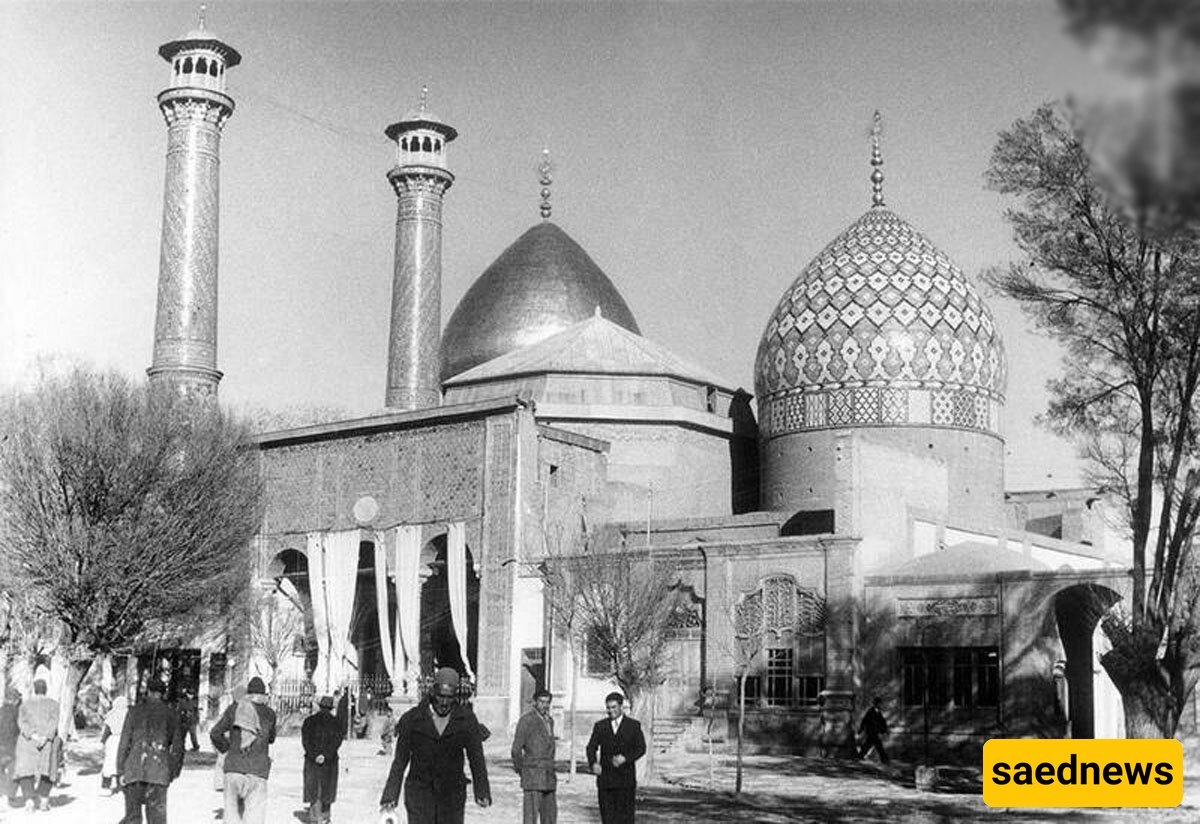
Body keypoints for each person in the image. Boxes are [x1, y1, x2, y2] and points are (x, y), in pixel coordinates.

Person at [379, 667, 491, 824]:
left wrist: (482, 791)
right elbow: (400, 761)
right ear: (433, 692)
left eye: (449, 697)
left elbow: (476, 758)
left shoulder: (466, 720)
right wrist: (390, 795)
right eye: (441, 696)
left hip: (451, 797)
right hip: (420, 795)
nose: (444, 702)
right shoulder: (412, 719)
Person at [116, 678, 185, 824]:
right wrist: (173, 771)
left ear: (148, 691)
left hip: (134, 770)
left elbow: (124, 742)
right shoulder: (171, 714)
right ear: (163, 694)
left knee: (132, 818)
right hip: (159, 772)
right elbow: (178, 747)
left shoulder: (134, 711)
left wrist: (120, 770)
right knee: (157, 819)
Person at [210, 677, 278, 824]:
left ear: (248, 693)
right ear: (263, 695)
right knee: (254, 817)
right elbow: (272, 739)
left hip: (233, 769)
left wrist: (226, 750)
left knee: (232, 817)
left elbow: (215, 733)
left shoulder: (234, 709)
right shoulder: (270, 714)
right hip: (257, 771)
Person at [585, 692, 646, 824]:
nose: (610, 711)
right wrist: (593, 763)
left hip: (626, 782)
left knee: (625, 819)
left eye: (613, 707)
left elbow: (641, 748)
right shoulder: (600, 726)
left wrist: (626, 758)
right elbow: (591, 747)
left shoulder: (633, 725)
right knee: (608, 818)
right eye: (608, 708)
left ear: (621, 707)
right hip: (606, 781)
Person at [12, 679, 59, 812]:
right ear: (46, 689)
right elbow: (54, 723)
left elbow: (21, 723)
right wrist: (45, 737)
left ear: (34, 689)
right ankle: (43, 800)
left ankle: (29, 802)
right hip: (47, 742)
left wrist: (32, 735)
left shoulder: (25, 705)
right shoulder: (54, 704)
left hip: (27, 742)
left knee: (26, 771)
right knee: (48, 770)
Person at [511, 688, 557, 824]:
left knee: (550, 817)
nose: (545, 705)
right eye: (541, 702)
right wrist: (523, 771)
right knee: (530, 819)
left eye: (547, 702)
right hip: (532, 777)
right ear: (535, 703)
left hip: (549, 777)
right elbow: (515, 750)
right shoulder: (526, 721)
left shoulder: (550, 721)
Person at [301, 695, 344, 824]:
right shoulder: (336, 722)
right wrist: (325, 755)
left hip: (311, 760)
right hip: (330, 761)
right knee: (327, 788)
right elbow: (337, 741)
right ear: (331, 708)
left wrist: (315, 755)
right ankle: (325, 816)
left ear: (319, 706)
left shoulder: (309, 721)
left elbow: (305, 741)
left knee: (314, 788)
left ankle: (314, 817)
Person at [100, 694, 130, 794]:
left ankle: (106, 787)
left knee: (109, 763)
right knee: (122, 763)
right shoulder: (128, 715)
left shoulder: (111, 715)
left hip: (112, 740)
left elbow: (107, 730)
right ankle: (122, 786)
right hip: (124, 740)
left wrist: (102, 741)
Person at [0, 688, 21, 810]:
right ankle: (9, 796)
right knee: (14, 772)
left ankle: (1, 795)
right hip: (12, 747)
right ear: (14, 700)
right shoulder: (17, 712)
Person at [857, 696, 889, 764]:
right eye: (880, 703)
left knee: (868, 745)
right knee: (878, 746)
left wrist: (885, 730)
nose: (881, 705)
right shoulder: (870, 711)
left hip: (874, 732)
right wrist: (861, 729)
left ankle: (860, 756)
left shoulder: (878, 712)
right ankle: (884, 760)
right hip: (871, 731)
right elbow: (864, 721)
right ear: (877, 704)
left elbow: (882, 722)